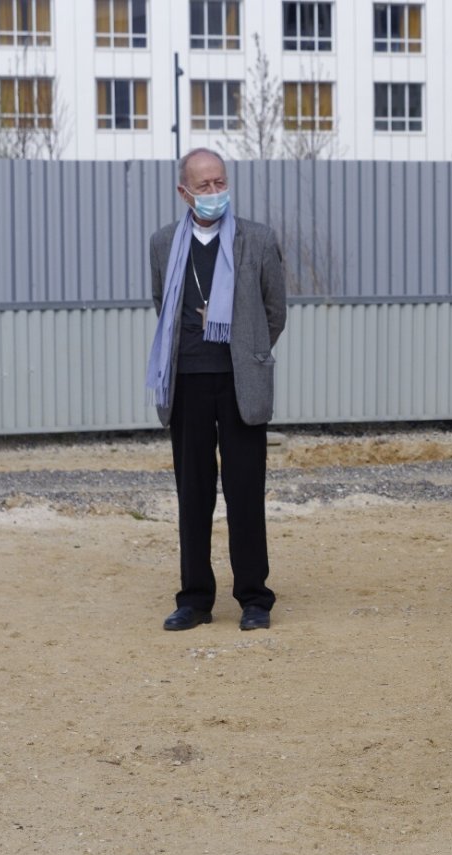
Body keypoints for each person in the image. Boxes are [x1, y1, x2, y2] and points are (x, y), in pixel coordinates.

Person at [146, 148, 287, 632]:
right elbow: (160, 304)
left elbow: (275, 311)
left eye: (219, 182)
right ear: (184, 191)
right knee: (194, 492)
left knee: (245, 491)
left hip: (239, 382)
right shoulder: (163, 243)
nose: (214, 193)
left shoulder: (258, 240)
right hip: (186, 381)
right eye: (203, 186)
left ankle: (254, 596)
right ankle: (195, 598)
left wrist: (245, 345)